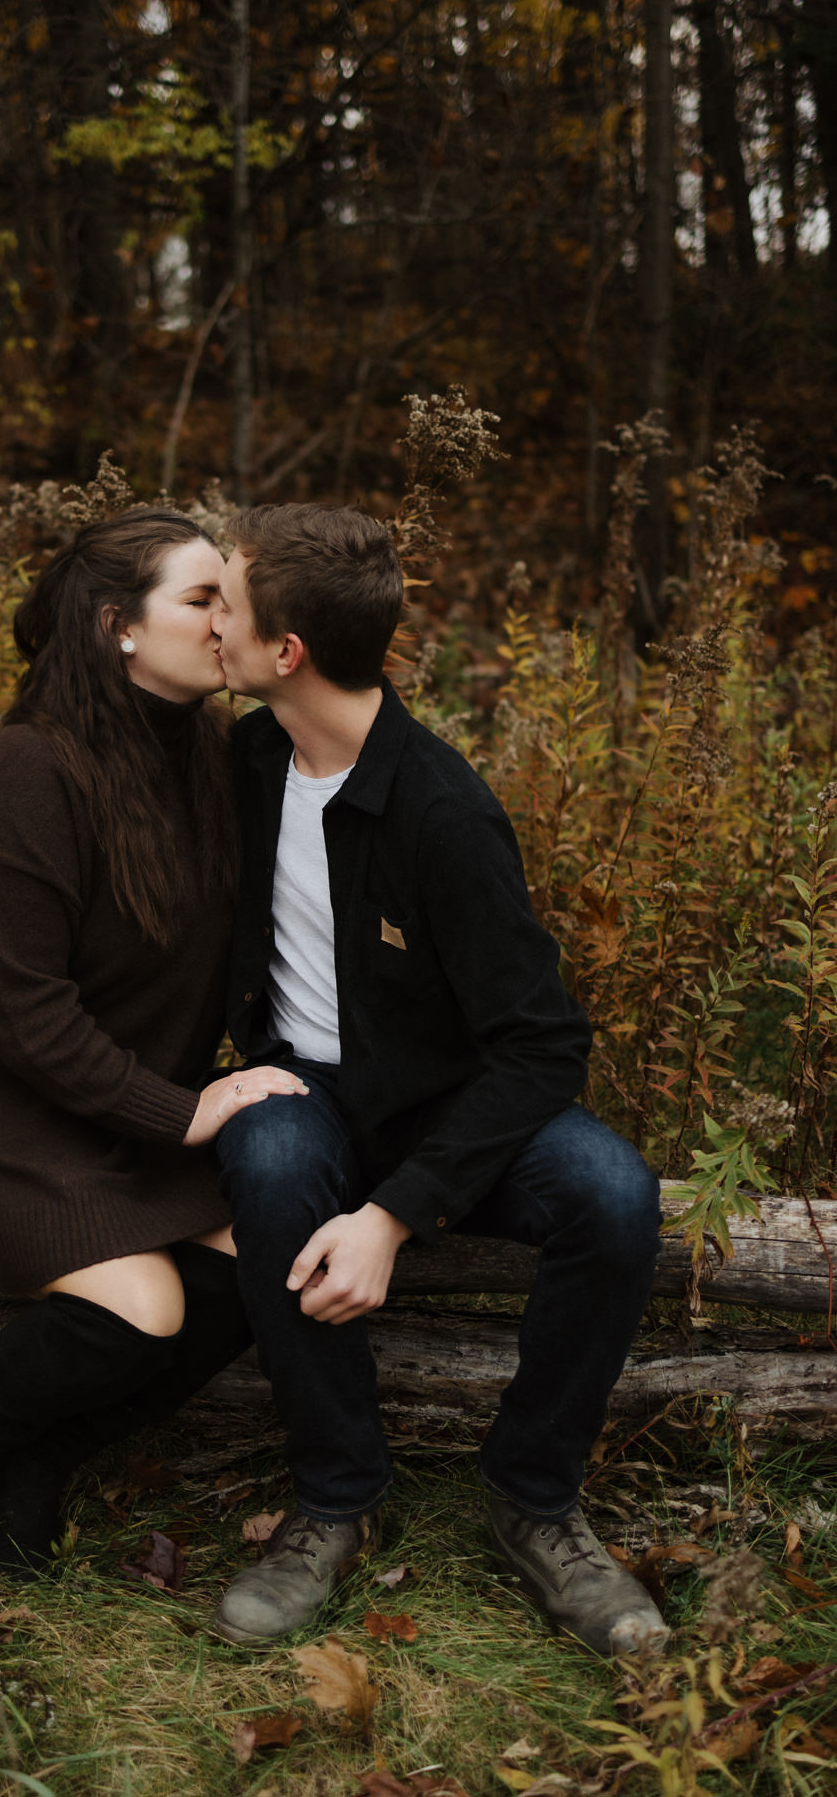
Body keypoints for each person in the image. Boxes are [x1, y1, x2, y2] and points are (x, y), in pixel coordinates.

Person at [208, 502, 668, 1657]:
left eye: (226, 601)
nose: (209, 621)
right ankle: (336, 1496)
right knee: (265, 1151)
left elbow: (543, 1044)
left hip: (452, 1117)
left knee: (614, 1195)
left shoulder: (441, 810)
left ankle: (533, 1497)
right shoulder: (249, 758)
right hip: (305, 1094)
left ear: (287, 652)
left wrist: (395, 1213)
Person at [0, 508, 306, 1572]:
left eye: (228, 600)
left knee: (266, 1263)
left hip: (115, 1101)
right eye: (200, 599)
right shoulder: (33, 768)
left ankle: (42, 1462)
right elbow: (19, 1010)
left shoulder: (215, 756)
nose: (225, 622)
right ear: (118, 625)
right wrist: (185, 1108)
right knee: (145, 1305)